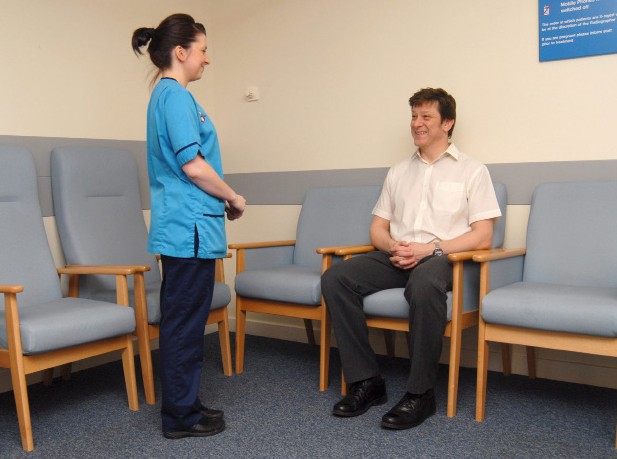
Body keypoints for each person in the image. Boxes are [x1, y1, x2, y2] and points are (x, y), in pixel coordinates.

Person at [321, 87, 501, 430]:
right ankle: (366, 381)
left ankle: (420, 393)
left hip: (443, 258)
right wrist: (392, 247)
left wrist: (428, 250)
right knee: (336, 277)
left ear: (447, 123)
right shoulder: (398, 172)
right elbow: (378, 228)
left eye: (426, 117)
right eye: (414, 116)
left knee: (424, 282)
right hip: (398, 255)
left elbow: (483, 235)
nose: (417, 124)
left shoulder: (473, 171)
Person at [131, 13, 246, 439]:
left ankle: (187, 404)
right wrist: (232, 197)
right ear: (181, 53)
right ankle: (180, 417)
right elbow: (193, 165)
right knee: (183, 324)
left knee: (185, 321)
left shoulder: (169, 96)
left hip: (187, 227)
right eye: (202, 50)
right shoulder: (174, 96)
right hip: (188, 229)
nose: (206, 59)